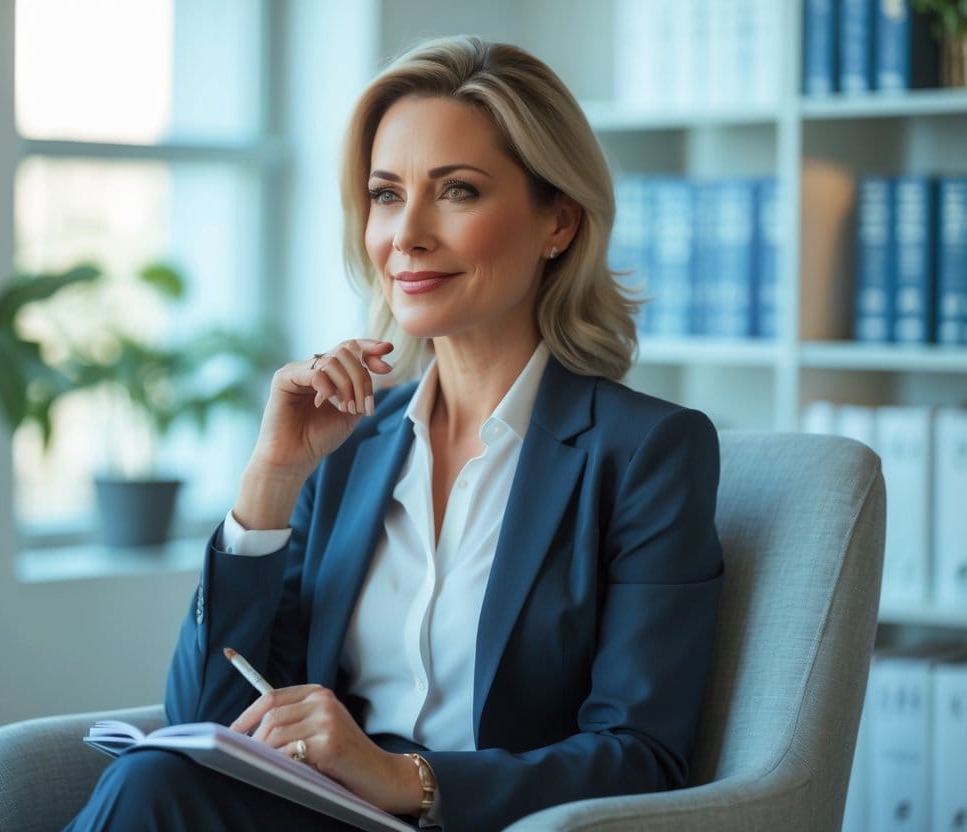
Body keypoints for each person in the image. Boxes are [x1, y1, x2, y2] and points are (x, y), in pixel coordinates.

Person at [64, 34, 723, 832]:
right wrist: (271, 479)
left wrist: (401, 778)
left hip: (483, 822)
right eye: (385, 194)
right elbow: (206, 713)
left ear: (558, 222)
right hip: (323, 817)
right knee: (153, 779)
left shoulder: (646, 452)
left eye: (456, 192)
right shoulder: (351, 448)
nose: (404, 234)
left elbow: (643, 755)